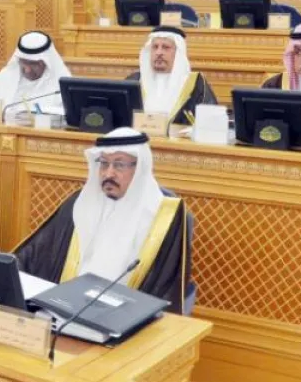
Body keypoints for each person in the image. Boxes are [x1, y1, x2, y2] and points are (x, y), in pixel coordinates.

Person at [14, 128, 193, 314]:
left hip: (125, 316)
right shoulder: (81, 203)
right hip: (66, 309)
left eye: (119, 165)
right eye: (104, 163)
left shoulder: (165, 217)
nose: (109, 174)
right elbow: (37, 254)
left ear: (140, 168)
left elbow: (164, 286)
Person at [125, 27, 216, 125]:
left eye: (165, 47)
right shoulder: (134, 81)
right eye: (155, 47)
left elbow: (210, 123)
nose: (158, 53)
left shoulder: (195, 83)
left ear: (178, 53)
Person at [0, 31, 71, 123]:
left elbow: (67, 121)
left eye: (33, 64)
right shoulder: (6, 76)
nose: (27, 70)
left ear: (46, 62)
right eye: (23, 62)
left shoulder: (60, 85)